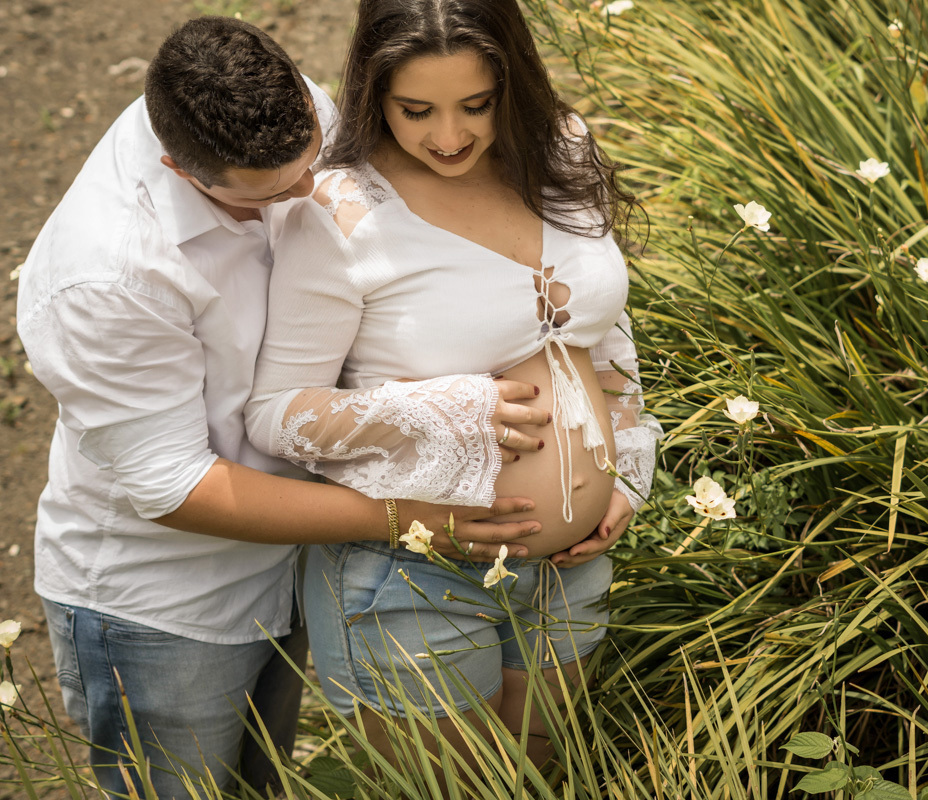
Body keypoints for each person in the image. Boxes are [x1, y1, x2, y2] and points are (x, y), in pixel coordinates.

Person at [16, 15, 548, 799]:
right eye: (271, 196)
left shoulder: (291, 116)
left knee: (262, 784)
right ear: (180, 167)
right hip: (167, 606)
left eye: (311, 162)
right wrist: (402, 519)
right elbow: (173, 487)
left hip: (294, 557)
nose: (314, 194)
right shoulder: (108, 276)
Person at [243, 0, 661, 768]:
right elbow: (278, 416)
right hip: (412, 572)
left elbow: (601, 326)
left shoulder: (563, 152)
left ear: (515, 83)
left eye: (477, 104)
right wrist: (443, 409)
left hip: (566, 578)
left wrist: (628, 464)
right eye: (415, 110)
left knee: (540, 777)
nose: (449, 136)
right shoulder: (339, 214)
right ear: (374, 92)